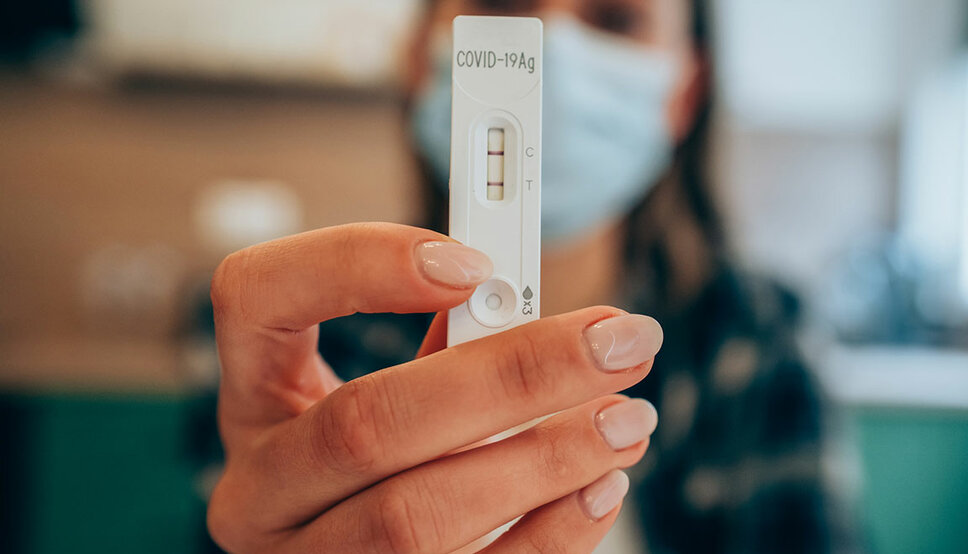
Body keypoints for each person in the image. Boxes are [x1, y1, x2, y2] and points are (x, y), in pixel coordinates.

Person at [206, 1, 860, 552]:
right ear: (420, 56)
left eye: (614, 17)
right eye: (503, 2)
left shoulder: (757, 338)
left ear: (684, 92)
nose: (549, 50)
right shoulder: (308, 342)